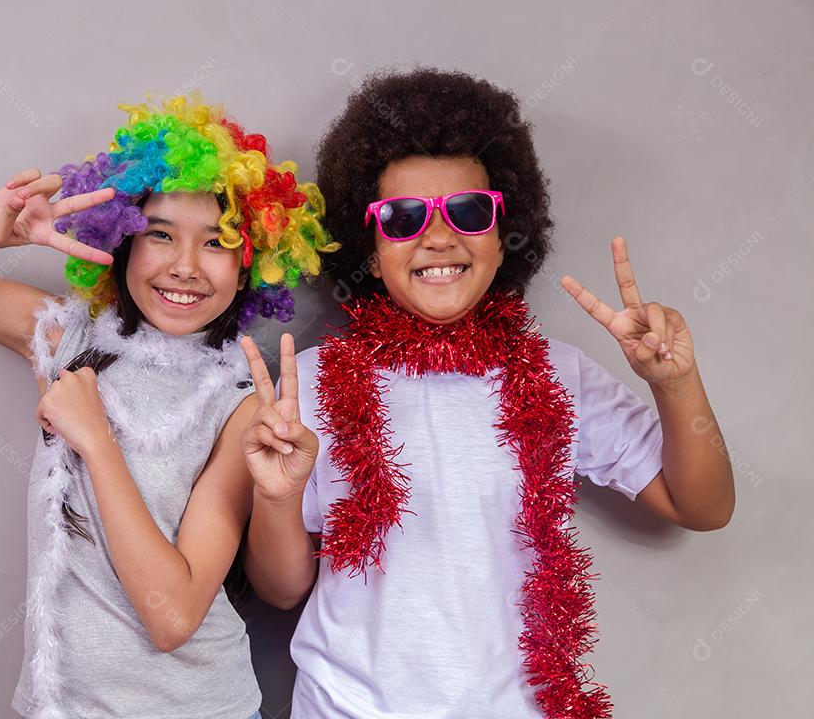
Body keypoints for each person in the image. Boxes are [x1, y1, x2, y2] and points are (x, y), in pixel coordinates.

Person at [240, 68, 735, 718]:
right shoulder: (312, 381)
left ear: (506, 237)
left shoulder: (558, 376)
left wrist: (676, 384)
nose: (438, 236)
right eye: (403, 216)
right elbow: (279, 593)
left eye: (470, 212)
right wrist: (276, 499)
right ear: (368, 242)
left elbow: (701, 506)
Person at [0, 93, 337, 719]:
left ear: (247, 267)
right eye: (159, 234)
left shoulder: (241, 406)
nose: (184, 266)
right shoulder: (65, 340)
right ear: (123, 242)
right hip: (57, 705)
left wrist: (96, 441)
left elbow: (175, 618)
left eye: (216, 242)